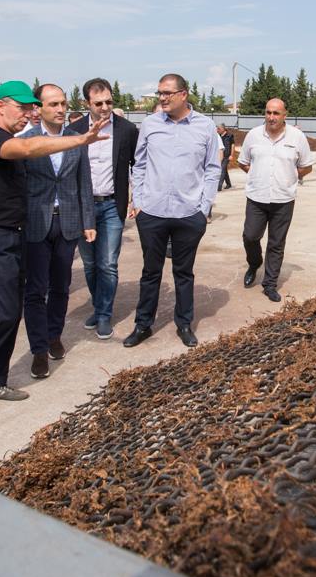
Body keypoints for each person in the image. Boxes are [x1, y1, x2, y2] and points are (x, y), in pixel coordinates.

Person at [0, 81, 109, 411]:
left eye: (31, 107)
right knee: (1, 311)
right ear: (1, 106)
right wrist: (81, 138)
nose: (27, 113)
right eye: (22, 107)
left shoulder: (7, 136)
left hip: (15, 233)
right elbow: (28, 149)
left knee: (10, 311)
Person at [122, 73, 219, 349]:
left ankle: (184, 324)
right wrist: (139, 201)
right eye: (160, 93)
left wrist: (203, 208)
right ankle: (143, 325)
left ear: (183, 94)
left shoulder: (205, 126)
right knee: (150, 272)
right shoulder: (150, 124)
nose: (162, 98)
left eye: (167, 93)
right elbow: (139, 164)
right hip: (152, 212)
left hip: (189, 213)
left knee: (184, 273)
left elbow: (212, 169)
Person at [20, 83, 95, 380]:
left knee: (61, 286)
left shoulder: (77, 139)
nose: (61, 109)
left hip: (68, 222)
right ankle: (38, 349)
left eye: (63, 103)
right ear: (38, 108)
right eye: (53, 104)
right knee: (35, 289)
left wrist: (88, 221)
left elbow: (84, 183)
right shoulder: (25, 142)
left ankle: (54, 335)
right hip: (36, 223)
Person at [66, 77, 139, 341]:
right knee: (89, 263)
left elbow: (137, 165)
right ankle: (98, 307)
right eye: (98, 103)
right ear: (87, 103)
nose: (105, 107)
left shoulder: (126, 130)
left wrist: (136, 198)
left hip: (111, 205)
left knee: (107, 263)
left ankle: (104, 314)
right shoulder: (73, 131)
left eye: (109, 102)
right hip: (82, 208)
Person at [237, 98, 314, 303]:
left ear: (284, 115)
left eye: (276, 113)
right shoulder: (253, 135)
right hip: (256, 197)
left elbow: (307, 166)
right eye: (268, 112)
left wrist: (291, 176)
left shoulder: (297, 137)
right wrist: (256, 175)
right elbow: (243, 162)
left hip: (283, 199)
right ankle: (254, 263)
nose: (271, 117)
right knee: (250, 236)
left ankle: (269, 284)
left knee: (276, 243)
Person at [217, 123, 235, 190]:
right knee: (224, 170)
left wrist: (231, 155)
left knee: (222, 169)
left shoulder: (229, 136)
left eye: (219, 129)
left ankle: (219, 186)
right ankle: (229, 184)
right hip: (220, 155)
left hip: (227, 156)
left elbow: (233, 145)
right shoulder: (218, 136)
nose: (217, 130)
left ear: (223, 128)